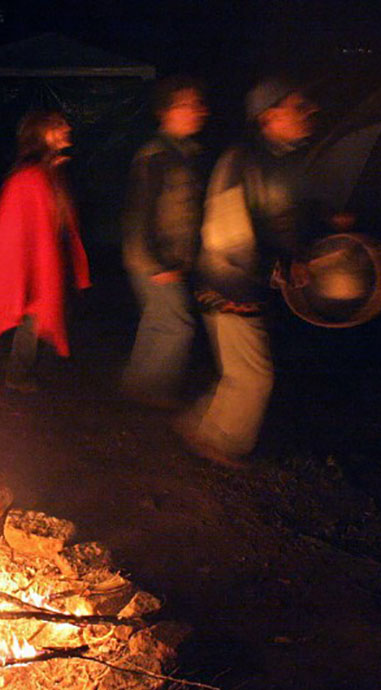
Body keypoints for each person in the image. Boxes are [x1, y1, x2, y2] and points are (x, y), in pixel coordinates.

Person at [179, 78, 316, 467]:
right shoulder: (241, 161)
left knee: (241, 371)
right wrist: (279, 268)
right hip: (228, 281)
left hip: (248, 282)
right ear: (269, 115)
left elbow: (280, 218)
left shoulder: (279, 160)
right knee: (254, 376)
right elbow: (227, 236)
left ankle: (199, 427)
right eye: (298, 106)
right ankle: (220, 442)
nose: (309, 113)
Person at [0, 111, 91, 392]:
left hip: (51, 256)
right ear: (40, 133)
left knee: (46, 312)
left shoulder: (50, 171)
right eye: (57, 125)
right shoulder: (28, 177)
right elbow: (15, 229)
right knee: (36, 314)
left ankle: (28, 370)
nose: (67, 129)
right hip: (34, 259)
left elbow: (58, 219)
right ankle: (19, 373)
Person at [121, 77, 208, 409]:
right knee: (177, 325)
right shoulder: (156, 156)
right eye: (187, 104)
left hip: (167, 259)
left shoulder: (186, 153)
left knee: (158, 321)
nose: (198, 111)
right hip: (153, 260)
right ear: (165, 112)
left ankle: (136, 387)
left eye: (198, 104)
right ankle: (153, 390)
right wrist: (156, 264)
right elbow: (139, 212)